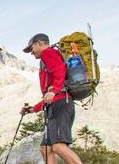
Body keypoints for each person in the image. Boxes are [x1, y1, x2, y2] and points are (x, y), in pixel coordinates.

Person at [20, 33, 83, 164]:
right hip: (55, 104)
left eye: (31, 48)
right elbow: (48, 96)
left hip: (61, 104)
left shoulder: (47, 53)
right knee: (46, 148)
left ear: (40, 43)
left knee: (58, 146)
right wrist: (32, 109)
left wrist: (54, 90)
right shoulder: (47, 57)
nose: (31, 52)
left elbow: (60, 69)